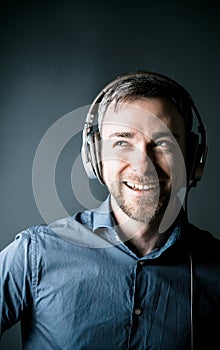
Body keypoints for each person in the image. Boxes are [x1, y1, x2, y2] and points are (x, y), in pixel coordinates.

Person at [0, 71, 219, 350]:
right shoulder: (34, 254)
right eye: (122, 143)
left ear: (192, 160)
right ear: (95, 158)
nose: (143, 166)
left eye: (163, 143)